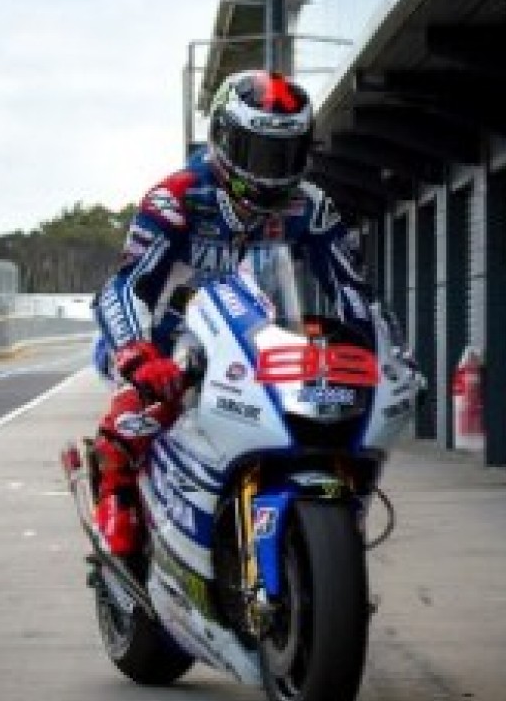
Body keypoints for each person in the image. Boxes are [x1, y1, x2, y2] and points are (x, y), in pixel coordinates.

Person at [90, 68, 373, 557]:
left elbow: (352, 289)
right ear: (222, 137)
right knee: (138, 418)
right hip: (165, 342)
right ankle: (115, 503)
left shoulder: (312, 207)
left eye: (284, 154)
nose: (271, 171)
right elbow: (124, 286)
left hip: (263, 342)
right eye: (257, 152)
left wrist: (378, 354)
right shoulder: (175, 198)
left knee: (341, 425)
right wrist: (138, 355)